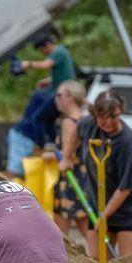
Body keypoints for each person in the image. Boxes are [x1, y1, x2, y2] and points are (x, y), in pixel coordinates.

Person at [72, 91, 132, 263]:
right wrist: (66, 156)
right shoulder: (88, 124)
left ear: (120, 113)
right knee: (97, 259)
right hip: (99, 201)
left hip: (131, 204)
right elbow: (76, 130)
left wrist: (104, 215)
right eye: (103, 117)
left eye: (113, 117)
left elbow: (126, 187)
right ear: (95, 114)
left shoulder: (127, 141)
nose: (108, 123)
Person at [54, 80, 91, 241]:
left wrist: (50, 155)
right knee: (86, 225)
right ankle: (100, 259)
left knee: (61, 232)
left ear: (70, 97)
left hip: (69, 178)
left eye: (59, 95)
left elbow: (67, 153)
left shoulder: (69, 122)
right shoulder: (84, 119)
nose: (56, 99)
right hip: (83, 177)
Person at [6, 79, 58, 178]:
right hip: (23, 135)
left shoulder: (45, 93)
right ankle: (9, 192)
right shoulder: (51, 98)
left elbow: (49, 122)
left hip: (24, 134)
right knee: (16, 172)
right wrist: (42, 143)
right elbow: (39, 120)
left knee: (24, 171)